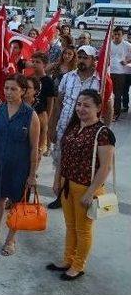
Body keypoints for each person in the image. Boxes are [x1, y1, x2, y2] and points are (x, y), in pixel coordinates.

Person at [48, 89, 115, 280]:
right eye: (79, 104)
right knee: (70, 226)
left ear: (98, 108)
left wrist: (91, 192)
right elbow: (63, 156)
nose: (81, 109)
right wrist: (57, 180)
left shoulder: (103, 133)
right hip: (67, 184)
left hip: (87, 188)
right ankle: (67, 259)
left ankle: (78, 265)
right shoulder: (73, 127)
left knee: (83, 230)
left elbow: (105, 167)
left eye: (86, 105)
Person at [0, 74, 40, 256]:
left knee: (16, 203)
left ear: (23, 91)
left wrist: (32, 174)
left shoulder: (30, 115)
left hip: (20, 168)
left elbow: (34, 148)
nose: (8, 92)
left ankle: (11, 239)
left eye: (13, 89)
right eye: (6, 88)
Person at [48, 45, 111, 209]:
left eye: (86, 57)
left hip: (88, 131)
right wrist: (52, 126)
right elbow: (58, 103)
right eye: (80, 57)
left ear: (93, 60)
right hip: (65, 127)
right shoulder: (68, 77)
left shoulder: (102, 80)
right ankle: (61, 194)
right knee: (62, 159)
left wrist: (107, 129)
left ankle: (82, 194)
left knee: (82, 163)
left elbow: (108, 106)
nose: (82, 60)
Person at [30, 52, 56, 157]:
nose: (35, 64)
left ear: (44, 65)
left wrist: (48, 118)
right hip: (30, 113)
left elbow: (50, 102)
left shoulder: (48, 81)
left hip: (41, 114)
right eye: (33, 62)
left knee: (39, 145)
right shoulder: (29, 78)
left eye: (38, 62)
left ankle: (34, 168)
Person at [109, 26, 131, 119]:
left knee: (118, 94)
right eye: (115, 34)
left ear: (123, 35)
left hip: (121, 73)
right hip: (110, 72)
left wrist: (126, 62)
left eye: (119, 34)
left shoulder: (127, 45)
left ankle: (116, 113)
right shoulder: (109, 44)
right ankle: (108, 111)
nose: (117, 36)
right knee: (110, 93)